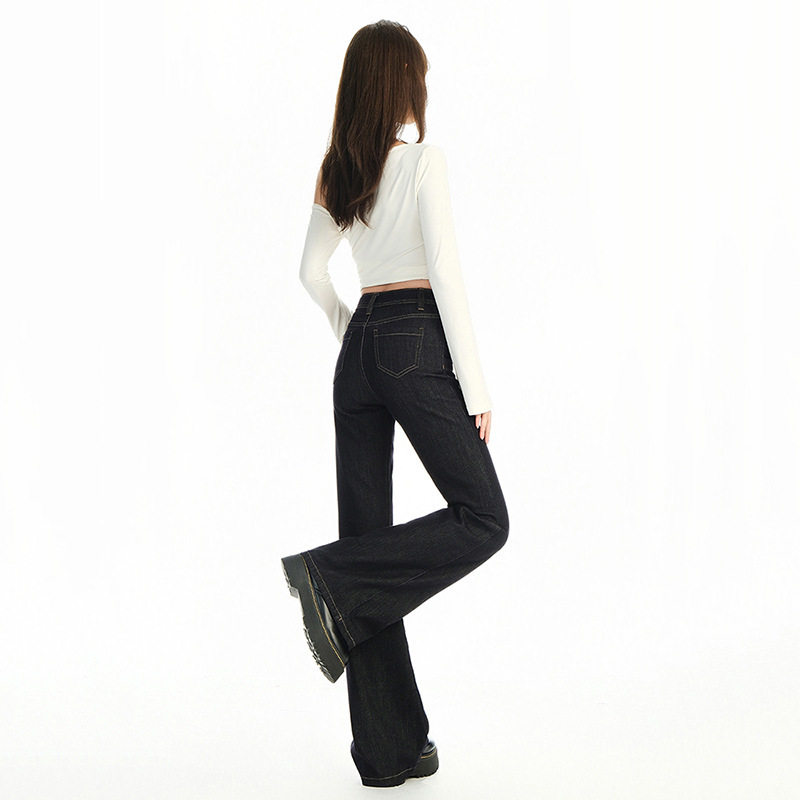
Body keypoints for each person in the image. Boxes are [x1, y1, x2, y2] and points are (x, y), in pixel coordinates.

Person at [280, 19, 509, 789]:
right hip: (414, 335)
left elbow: (311, 273)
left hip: (359, 352)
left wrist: (351, 331)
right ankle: (332, 579)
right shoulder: (422, 162)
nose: (424, 86)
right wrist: (474, 385)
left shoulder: (337, 170)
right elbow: (445, 270)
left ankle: (389, 750)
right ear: (399, 83)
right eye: (418, 74)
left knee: (369, 543)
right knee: (484, 518)